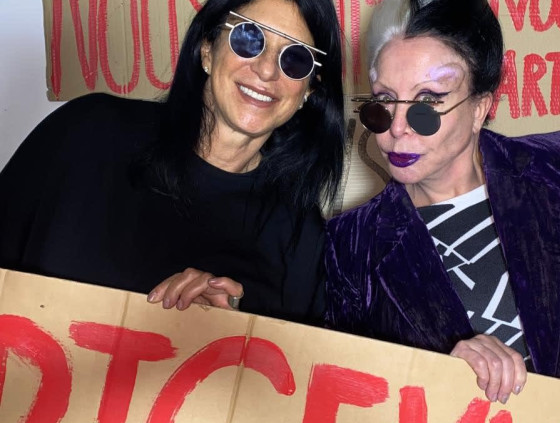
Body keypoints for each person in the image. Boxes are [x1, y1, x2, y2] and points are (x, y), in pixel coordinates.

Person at [323, 1, 560, 423]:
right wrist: (437, 372)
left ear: (479, 108)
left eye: (426, 103)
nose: (397, 128)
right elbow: (348, 382)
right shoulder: (351, 245)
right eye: (383, 102)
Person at [0, 0, 344, 324]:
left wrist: (232, 332)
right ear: (207, 48)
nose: (267, 70)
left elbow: (287, 358)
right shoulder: (87, 133)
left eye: (296, 59)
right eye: (249, 38)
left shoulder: (301, 235)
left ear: (309, 90)